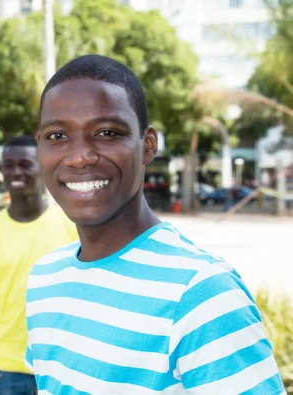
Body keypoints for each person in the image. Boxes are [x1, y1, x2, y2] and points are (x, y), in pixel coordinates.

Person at [25, 54, 286, 394]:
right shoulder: (44, 277)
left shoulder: (200, 291)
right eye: (57, 136)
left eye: (106, 132)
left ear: (148, 145)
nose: (79, 156)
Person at [0, 135, 78, 395]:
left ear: (43, 166)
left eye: (25, 164)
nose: (16, 172)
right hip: (7, 370)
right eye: (9, 165)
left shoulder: (73, 227)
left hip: (62, 368)